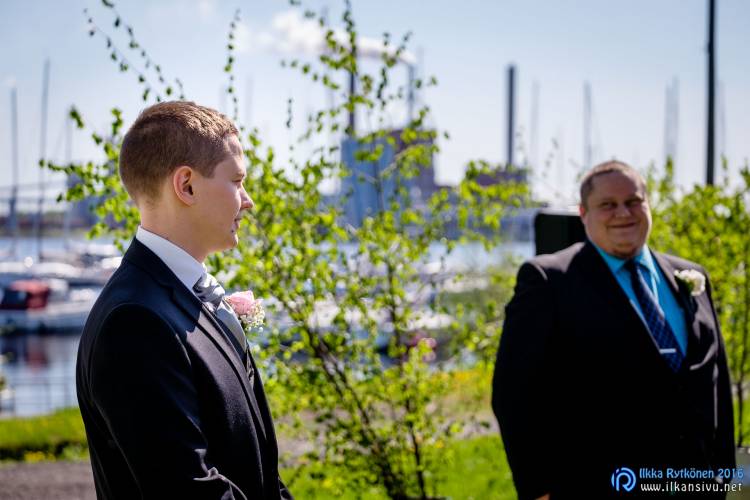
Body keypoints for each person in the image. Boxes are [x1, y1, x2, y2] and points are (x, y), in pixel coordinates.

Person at [76, 101, 293, 499]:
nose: (248, 200)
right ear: (187, 186)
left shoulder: (184, 295)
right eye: (237, 181)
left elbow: (260, 470)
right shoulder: (134, 322)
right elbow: (189, 489)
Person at [492, 161, 735, 499]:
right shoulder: (549, 281)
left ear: (648, 205)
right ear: (583, 213)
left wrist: (726, 478)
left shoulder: (692, 276)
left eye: (633, 201)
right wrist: (539, 490)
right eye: (607, 204)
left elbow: (717, 384)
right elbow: (514, 394)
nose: (623, 213)